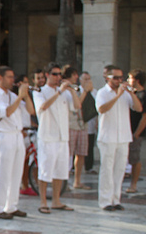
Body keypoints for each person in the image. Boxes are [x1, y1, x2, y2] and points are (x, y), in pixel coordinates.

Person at [0, 66, 34, 219]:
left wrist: (25, 96)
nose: (13, 80)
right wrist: (20, 97)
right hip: (3, 135)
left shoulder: (13, 95)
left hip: (17, 135)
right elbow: (7, 112)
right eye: (9, 77)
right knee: (3, 173)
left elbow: (31, 111)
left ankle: (11, 206)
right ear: (0, 78)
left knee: (16, 172)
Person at [33, 63, 80, 213]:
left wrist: (72, 91)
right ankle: (42, 202)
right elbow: (43, 107)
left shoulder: (65, 92)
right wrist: (59, 92)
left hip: (62, 137)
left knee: (61, 170)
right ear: (47, 75)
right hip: (48, 136)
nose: (58, 77)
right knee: (45, 170)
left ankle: (56, 200)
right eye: (54, 74)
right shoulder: (39, 91)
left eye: (59, 74)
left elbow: (77, 107)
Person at [96, 66, 143, 211]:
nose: (119, 80)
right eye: (115, 78)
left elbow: (138, 108)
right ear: (108, 78)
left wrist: (130, 93)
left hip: (123, 136)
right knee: (107, 169)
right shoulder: (102, 93)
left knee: (120, 169)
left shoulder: (126, 94)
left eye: (120, 77)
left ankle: (116, 199)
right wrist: (117, 96)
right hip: (107, 137)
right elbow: (102, 109)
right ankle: (105, 201)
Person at [63, 66, 92, 190]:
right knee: (67, 154)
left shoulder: (77, 88)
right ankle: (64, 181)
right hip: (71, 124)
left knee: (81, 153)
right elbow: (76, 106)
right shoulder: (65, 90)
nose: (77, 77)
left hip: (82, 124)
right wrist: (85, 92)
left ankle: (77, 181)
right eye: (75, 75)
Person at [125, 69, 146, 193]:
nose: (128, 80)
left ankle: (133, 184)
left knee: (134, 158)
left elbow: (145, 116)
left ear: (136, 80)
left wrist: (137, 133)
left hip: (135, 132)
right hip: (125, 130)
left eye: (129, 78)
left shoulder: (144, 96)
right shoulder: (130, 93)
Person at [81, 71, 98, 174]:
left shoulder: (95, 92)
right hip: (79, 124)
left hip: (91, 124)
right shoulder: (77, 90)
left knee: (89, 146)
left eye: (89, 79)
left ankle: (89, 166)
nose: (88, 81)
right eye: (85, 79)